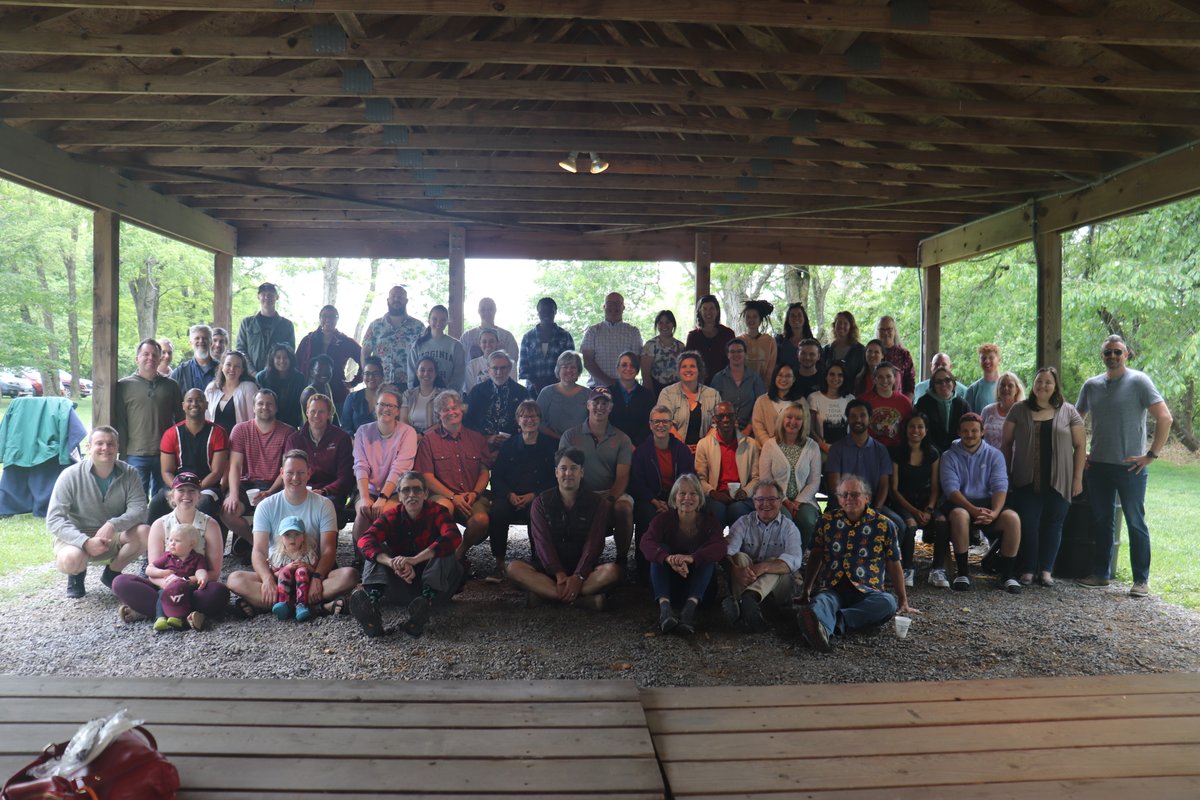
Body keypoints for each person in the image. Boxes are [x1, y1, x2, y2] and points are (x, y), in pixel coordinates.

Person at [1075, 335, 1172, 596]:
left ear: (1126, 354)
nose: (1113, 356)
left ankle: (1141, 580)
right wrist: (1081, 453)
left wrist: (1151, 454)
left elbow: (1165, 418)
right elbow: (1075, 421)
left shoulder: (1139, 381)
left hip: (1131, 468)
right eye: (1108, 352)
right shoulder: (1091, 385)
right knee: (1102, 521)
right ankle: (1100, 574)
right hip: (1097, 467)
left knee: (1135, 522)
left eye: (1117, 352)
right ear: (1102, 356)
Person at [227, 450, 358, 616]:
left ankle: (274, 604)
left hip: (310, 572)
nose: (295, 478)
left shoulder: (324, 505)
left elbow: (328, 550)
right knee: (234, 579)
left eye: (301, 473)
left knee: (349, 575)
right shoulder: (266, 506)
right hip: (278, 574)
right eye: (290, 473)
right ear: (282, 473)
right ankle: (317, 606)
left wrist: (317, 577)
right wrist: (267, 579)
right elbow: (259, 551)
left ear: (309, 473)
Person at [797, 475, 919, 652]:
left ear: (867, 497)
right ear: (838, 498)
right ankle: (820, 631)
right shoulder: (827, 521)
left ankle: (835, 623)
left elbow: (893, 562)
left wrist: (903, 600)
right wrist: (806, 591)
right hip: (833, 588)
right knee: (821, 602)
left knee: (887, 603)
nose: (849, 499)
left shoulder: (884, 525)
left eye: (855, 494)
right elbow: (816, 555)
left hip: (867, 592)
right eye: (844, 494)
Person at [349, 471, 464, 638]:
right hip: (402, 582)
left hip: (438, 586)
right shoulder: (391, 516)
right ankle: (372, 607)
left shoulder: (438, 512)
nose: (412, 495)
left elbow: (454, 536)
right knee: (375, 548)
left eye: (417, 490)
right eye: (406, 490)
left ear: (426, 494)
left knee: (445, 548)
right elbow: (364, 540)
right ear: (400, 495)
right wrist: (391, 562)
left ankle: (425, 604)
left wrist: (415, 560)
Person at [506, 448, 621, 610]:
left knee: (613, 572)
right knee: (513, 569)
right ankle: (581, 600)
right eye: (563, 468)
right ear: (556, 473)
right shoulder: (540, 503)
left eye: (574, 468)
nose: (568, 473)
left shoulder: (597, 503)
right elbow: (542, 544)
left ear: (582, 472)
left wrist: (578, 576)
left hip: (584, 571)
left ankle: (547, 597)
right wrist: (559, 573)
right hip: (549, 572)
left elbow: (594, 543)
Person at [1002, 367, 1085, 588]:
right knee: (1028, 524)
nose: (1043, 386)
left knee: (1053, 524)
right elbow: (1006, 443)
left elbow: (1080, 445)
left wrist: (1077, 479)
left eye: (1048, 382)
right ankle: (1028, 569)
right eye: (1039, 381)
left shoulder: (1069, 411)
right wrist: (1006, 473)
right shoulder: (1019, 410)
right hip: (1025, 480)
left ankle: (1046, 570)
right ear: (1033, 384)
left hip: (1060, 480)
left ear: (1055, 386)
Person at [112, 472, 227, 626]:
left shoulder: (211, 525)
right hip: (164, 586)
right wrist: (167, 584)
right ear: (172, 496)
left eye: (192, 491)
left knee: (219, 592)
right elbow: (153, 570)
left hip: (194, 586)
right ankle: (187, 616)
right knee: (120, 582)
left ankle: (150, 613)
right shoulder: (160, 524)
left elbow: (214, 573)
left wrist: (185, 582)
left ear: (199, 496)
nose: (186, 495)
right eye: (181, 490)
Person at [47, 426, 149, 598]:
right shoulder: (70, 475)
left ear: (117, 447)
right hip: (76, 537)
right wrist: (85, 542)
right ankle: (76, 575)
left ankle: (112, 573)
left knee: (145, 532)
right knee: (70, 560)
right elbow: (54, 519)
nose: (105, 448)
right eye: (99, 443)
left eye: (110, 444)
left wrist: (113, 524)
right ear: (89, 447)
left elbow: (139, 509)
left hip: (113, 534)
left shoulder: (130, 473)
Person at [939, 413, 1022, 593]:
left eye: (974, 431)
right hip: (961, 503)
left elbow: (1000, 486)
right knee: (960, 515)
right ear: (959, 432)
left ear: (982, 432)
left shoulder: (995, 455)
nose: (970, 434)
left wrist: (994, 512)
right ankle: (962, 573)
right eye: (965, 431)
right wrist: (973, 510)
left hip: (989, 504)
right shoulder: (948, 456)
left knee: (1012, 518)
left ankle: (1007, 575)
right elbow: (951, 490)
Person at [559, 387, 636, 566]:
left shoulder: (622, 438)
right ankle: (577, 559)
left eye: (605, 403)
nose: (600, 407)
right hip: (579, 492)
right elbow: (565, 472)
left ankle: (621, 559)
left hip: (610, 492)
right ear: (588, 405)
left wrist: (608, 500)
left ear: (610, 408)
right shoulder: (570, 435)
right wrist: (579, 496)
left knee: (624, 508)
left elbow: (623, 476)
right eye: (596, 402)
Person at [415, 390, 492, 572]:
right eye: (445, 409)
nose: (451, 412)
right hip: (441, 495)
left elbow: (484, 471)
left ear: (462, 409)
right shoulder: (429, 441)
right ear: (438, 414)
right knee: (443, 509)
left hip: (471, 496)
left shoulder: (476, 438)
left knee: (481, 520)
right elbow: (426, 476)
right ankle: (437, 558)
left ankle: (459, 553)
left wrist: (474, 494)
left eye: (454, 407)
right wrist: (452, 497)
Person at [640, 474, 725, 635]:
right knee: (659, 551)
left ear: (700, 499)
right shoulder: (662, 520)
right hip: (669, 586)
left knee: (706, 554)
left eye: (693, 494)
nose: (687, 498)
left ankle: (689, 612)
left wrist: (693, 558)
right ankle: (665, 612)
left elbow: (720, 546)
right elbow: (646, 543)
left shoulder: (709, 521)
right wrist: (668, 558)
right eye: (682, 493)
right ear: (674, 498)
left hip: (700, 590)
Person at [487, 401, 557, 582]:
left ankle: (539, 560)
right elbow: (497, 476)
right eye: (525, 416)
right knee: (497, 511)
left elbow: (554, 478)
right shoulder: (508, 445)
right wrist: (509, 494)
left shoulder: (550, 445)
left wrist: (534, 495)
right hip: (510, 495)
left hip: (537, 495)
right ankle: (499, 562)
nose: (529, 420)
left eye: (533, 416)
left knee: (537, 510)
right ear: (518, 420)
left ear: (540, 420)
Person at [722, 480, 804, 632]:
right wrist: (735, 569)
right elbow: (727, 552)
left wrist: (764, 567)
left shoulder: (790, 528)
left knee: (776, 562)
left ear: (780, 502)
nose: (765, 503)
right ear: (754, 502)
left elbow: (795, 560)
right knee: (738, 558)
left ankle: (747, 601)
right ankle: (752, 611)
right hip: (747, 578)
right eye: (760, 499)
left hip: (777, 589)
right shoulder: (743, 523)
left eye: (771, 499)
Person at [221, 389, 296, 552]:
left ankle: (269, 545)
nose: (264, 407)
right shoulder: (240, 430)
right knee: (227, 511)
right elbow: (235, 465)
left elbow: (287, 470)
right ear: (253, 407)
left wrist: (270, 492)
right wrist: (233, 494)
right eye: (260, 403)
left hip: (275, 484)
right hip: (246, 484)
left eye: (269, 404)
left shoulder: (288, 432)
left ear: (276, 408)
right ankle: (257, 545)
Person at [351, 386, 419, 559]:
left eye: (391, 406)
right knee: (363, 512)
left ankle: (388, 559)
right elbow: (361, 466)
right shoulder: (363, 432)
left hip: (395, 491)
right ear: (376, 407)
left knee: (385, 513)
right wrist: (365, 497)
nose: (386, 409)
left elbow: (400, 468)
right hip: (368, 488)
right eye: (382, 404)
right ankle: (361, 559)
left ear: (397, 411)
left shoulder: (407, 433)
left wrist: (382, 498)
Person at [630, 405, 697, 572]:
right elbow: (637, 483)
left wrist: (674, 501)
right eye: (657, 421)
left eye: (665, 421)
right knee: (646, 515)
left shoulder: (682, 450)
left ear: (671, 424)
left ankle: (687, 563)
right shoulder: (641, 452)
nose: (661, 425)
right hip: (650, 498)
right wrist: (654, 501)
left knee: (689, 513)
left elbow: (688, 478)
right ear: (650, 424)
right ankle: (646, 569)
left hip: (678, 497)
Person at [114, 338, 184, 497]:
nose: (150, 358)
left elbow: (180, 420)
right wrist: (123, 452)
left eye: (154, 355)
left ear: (160, 359)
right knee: (137, 498)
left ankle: (158, 523)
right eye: (145, 354)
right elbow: (121, 422)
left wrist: (178, 450)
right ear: (137, 358)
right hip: (136, 453)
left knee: (163, 498)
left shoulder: (171, 385)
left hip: (165, 453)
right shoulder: (123, 386)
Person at [825, 399, 905, 536]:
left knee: (900, 525)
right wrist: (851, 508)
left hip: (872, 505)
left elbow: (884, 484)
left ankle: (890, 558)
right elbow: (834, 485)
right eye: (853, 416)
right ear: (848, 419)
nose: (858, 420)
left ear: (870, 418)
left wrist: (876, 510)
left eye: (862, 415)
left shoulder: (880, 450)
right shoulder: (837, 449)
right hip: (842, 505)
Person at [147, 388, 227, 524]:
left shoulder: (218, 433)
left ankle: (203, 543)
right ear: (183, 406)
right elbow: (166, 471)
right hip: (178, 484)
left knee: (205, 503)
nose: (194, 404)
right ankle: (152, 543)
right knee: (157, 502)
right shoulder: (171, 434)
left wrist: (195, 488)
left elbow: (217, 472)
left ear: (206, 405)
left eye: (199, 400)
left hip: (207, 486)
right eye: (190, 400)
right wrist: (180, 488)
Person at [889, 413, 945, 588]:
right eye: (912, 426)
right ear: (905, 430)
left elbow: (936, 487)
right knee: (910, 524)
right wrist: (914, 511)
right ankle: (908, 569)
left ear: (926, 431)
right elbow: (894, 489)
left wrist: (929, 509)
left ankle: (937, 569)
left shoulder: (933, 453)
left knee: (942, 521)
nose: (916, 430)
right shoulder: (897, 453)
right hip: (902, 502)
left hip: (926, 501)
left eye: (920, 427)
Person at [757, 400, 822, 548]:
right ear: (782, 419)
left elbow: (814, 480)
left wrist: (798, 501)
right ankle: (781, 558)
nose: (793, 422)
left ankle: (799, 557)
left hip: (804, 500)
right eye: (789, 417)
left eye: (798, 418)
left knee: (807, 519)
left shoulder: (812, 446)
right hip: (776, 499)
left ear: (803, 422)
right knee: (784, 519)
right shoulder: (769, 445)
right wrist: (785, 501)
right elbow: (766, 480)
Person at [286, 393, 354, 525]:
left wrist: (324, 491)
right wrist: (303, 490)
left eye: (321, 412)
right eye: (312, 411)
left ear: (329, 414)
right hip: (301, 489)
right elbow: (290, 471)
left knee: (325, 510)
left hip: (331, 493)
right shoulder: (294, 439)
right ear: (306, 413)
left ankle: (325, 544)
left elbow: (346, 477)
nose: (316, 415)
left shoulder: (341, 438)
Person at [694, 401, 758, 528]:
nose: (725, 419)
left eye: (730, 415)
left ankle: (739, 547)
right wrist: (712, 492)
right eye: (721, 416)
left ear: (735, 418)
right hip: (715, 495)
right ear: (714, 419)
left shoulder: (750, 444)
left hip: (741, 496)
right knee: (716, 511)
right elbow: (699, 478)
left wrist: (745, 492)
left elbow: (757, 477)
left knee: (738, 510)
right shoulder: (704, 444)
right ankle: (717, 545)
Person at [295, 304, 362, 407]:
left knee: (335, 422)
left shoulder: (344, 341)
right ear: (319, 318)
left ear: (337, 319)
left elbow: (364, 359)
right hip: (309, 390)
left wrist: (355, 381)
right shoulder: (308, 340)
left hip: (336, 392)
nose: (328, 320)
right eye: (324, 316)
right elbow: (296, 363)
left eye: (332, 317)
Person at [148, 522, 209, 632]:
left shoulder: (197, 558)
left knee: (188, 596)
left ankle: (177, 617)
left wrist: (202, 577)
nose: (172, 544)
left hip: (186, 588)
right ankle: (160, 617)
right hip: (168, 587)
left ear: (191, 544)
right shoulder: (167, 557)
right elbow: (149, 569)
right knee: (162, 594)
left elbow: (200, 570)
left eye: (177, 541)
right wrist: (164, 573)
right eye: (170, 540)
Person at [362, 285, 425, 390]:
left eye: (400, 297)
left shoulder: (418, 327)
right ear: (388, 300)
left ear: (406, 301)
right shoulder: (375, 326)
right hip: (380, 384)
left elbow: (424, 355)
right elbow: (365, 353)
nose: (396, 299)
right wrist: (368, 377)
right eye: (393, 296)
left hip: (409, 384)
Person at [463, 349, 529, 448]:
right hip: (481, 445)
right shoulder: (477, 392)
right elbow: (467, 420)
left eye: (503, 368)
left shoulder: (522, 392)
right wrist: (486, 438)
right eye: (495, 368)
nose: (499, 372)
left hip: (514, 446)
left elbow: (529, 421)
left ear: (510, 368)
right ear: (488, 370)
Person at [657, 351, 721, 451]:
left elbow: (716, 424)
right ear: (678, 371)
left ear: (699, 370)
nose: (688, 370)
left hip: (706, 451)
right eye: (684, 366)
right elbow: (665, 422)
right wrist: (683, 447)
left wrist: (702, 446)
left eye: (692, 366)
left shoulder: (713, 395)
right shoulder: (667, 393)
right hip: (674, 450)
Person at [581, 292, 642, 388]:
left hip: (626, 389)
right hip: (598, 390)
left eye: (618, 303)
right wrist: (610, 382)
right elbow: (588, 362)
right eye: (610, 303)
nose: (613, 306)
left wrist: (622, 383)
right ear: (604, 307)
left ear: (623, 307)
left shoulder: (633, 332)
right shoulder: (592, 331)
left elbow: (636, 361)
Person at [710, 338, 767, 438]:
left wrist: (748, 429)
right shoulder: (718, 378)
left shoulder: (755, 378)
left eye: (740, 351)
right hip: (723, 432)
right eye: (732, 351)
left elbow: (761, 406)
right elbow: (712, 407)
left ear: (745, 354)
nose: (736, 354)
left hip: (750, 432)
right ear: (728, 355)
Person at [518, 297, 575, 396]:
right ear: (538, 312)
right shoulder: (528, 337)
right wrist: (537, 384)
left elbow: (571, 366)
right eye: (542, 311)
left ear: (555, 312)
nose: (546, 314)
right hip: (533, 392)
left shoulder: (565, 336)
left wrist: (553, 384)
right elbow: (523, 368)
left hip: (559, 391)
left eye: (550, 311)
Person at [267, 515, 320, 621]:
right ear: (281, 538)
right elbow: (273, 575)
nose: (292, 539)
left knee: (301, 571)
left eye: (296, 534)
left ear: (303, 537)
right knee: (285, 570)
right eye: (287, 535)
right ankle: (283, 603)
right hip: (284, 587)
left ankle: (301, 605)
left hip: (304, 588)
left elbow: (316, 572)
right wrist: (286, 568)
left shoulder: (308, 554)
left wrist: (307, 567)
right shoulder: (278, 555)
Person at [236, 282, 296, 373]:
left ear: (277, 297)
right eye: (263, 294)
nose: (267, 297)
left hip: (277, 378)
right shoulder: (247, 323)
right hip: (250, 377)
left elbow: (289, 352)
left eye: (271, 295)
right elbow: (241, 350)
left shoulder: (287, 325)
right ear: (258, 297)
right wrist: (252, 372)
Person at [407, 304, 466, 392]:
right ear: (429, 320)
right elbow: (412, 374)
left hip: (447, 397)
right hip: (422, 395)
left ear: (447, 322)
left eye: (443, 320)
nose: (438, 322)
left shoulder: (456, 345)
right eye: (435, 319)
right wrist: (415, 394)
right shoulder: (418, 345)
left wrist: (448, 395)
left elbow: (459, 376)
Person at [914, 366, 971, 453]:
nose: (943, 384)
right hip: (929, 452)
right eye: (938, 382)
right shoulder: (923, 403)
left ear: (954, 383)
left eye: (947, 380)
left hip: (958, 452)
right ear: (933, 385)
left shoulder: (963, 405)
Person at [535, 350, 589, 440]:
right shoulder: (546, 393)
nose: (569, 370)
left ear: (578, 370)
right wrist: (561, 438)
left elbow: (593, 422)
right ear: (558, 370)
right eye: (565, 367)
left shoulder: (588, 394)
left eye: (573, 367)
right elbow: (538, 421)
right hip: (551, 442)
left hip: (582, 442)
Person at [859, 361, 913, 448]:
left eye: (888, 376)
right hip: (869, 448)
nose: (885, 380)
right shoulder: (863, 401)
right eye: (880, 377)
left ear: (895, 378)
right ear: (875, 379)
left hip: (897, 449)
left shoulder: (905, 402)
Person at [255, 343, 307, 429]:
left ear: (291, 359)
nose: (282, 361)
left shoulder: (299, 378)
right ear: (272, 360)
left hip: (291, 423)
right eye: (278, 357)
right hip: (267, 421)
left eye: (285, 357)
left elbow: (300, 404)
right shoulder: (262, 377)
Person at [608, 350, 655, 446]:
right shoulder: (607, 394)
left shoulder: (646, 395)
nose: (628, 368)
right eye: (624, 365)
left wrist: (634, 445)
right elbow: (604, 422)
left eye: (632, 365)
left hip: (638, 447)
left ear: (637, 370)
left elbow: (649, 424)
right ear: (617, 368)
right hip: (610, 446)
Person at [204, 350, 258, 433]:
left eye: (237, 366)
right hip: (216, 443)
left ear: (242, 370)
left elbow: (254, 420)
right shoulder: (212, 389)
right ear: (222, 367)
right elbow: (206, 419)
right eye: (228, 364)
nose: (232, 369)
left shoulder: (249, 388)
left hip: (239, 442)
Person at [685, 294, 736, 379]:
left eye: (711, 308)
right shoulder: (693, 336)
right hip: (699, 384)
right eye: (704, 309)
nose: (708, 312)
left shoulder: (728, 334)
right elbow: (688, 362)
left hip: (724, 382)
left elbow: (733, 360)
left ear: (717, 311)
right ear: (700, 312)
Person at [751, 362, 802, 447]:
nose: (783, 379)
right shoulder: (762, 401)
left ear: (794, 379)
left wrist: (790, 449)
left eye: (788, 376)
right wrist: (772, 448)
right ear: (774, 377)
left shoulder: (801, 402)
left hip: (793, 452)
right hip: (766, 451)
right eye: (780, 375)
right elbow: (758, 426)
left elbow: (805, 429)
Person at [808, 360, 854, 454]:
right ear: (826, 376)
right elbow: (810, 429)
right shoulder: (814, 397)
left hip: (847, 450)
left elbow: (854, 426)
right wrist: (823, 445)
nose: (835, 378)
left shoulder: (851, 399)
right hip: (821, 450)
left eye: (840, 375)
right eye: (832, 374)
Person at [460, 297, 520, 362]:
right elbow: (459, 361)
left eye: (490, 309)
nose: (487, 312)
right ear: (478, 311)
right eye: (483, 309)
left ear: (495, 310)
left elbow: (513, 362)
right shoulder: (467, 337)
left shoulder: (507, 337)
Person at [641, 309, 685, 397]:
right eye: (660, 323)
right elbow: (645, 375)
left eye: (667, 322)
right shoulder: (650, 345)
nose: (664, 325)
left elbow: (684, 371)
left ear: (673, 324)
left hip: (676, 390)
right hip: (655, 388)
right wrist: (651, 396)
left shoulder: (680, 346)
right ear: (657, 325)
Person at [822, 310, 866, 390]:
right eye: (839, 323)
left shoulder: (860, 350)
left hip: (851, 394)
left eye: (845, 323)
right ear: (834, 325)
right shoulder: (826, 350)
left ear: (851, 327)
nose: (842, 326)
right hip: (828, 394)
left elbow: (862, 376)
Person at [400, 356, 445, 435]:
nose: (426, 373)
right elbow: (403, 420)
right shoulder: (407, 395)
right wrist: (413, 436)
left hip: (436, 437)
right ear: (417, 373)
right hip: (410, 436)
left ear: (435, 374)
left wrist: (421, 436)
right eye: (422, 370)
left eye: (430, 370)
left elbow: (443, 422)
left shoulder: (443, 396)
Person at [980, 371, 1025, 449]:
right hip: (989, 459)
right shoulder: (987, 410)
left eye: (1010, 385)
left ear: (1017, 389)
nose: (1006, 388)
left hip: (1015, 460)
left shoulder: (1023, 412)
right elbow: (979, 436)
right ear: (998, 388)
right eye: (1002, 385)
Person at [170, 325, 218, 395]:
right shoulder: (180, 373)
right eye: (197, 338)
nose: (201, 341)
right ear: (190, 343)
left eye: (205, 338)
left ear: (211, 343)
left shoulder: (221, 369)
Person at [737, 299, 777, 385]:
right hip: (743, 387)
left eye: (755, 316)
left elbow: (771, 368)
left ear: (760, 319)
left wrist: (764, 388)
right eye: (748, 317)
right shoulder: (739, 341)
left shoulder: (770, 341)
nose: (751, 320)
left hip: (764, 388)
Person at [342, 356, 383, 434]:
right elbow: (345, 427)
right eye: (367, 373)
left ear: (382, 376)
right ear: (363, 376)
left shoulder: (389, 399)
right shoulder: (352, 398)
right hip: (356, 443)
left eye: (375, 373)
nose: (371, 377)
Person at [876, 315, 915, 396]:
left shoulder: (904, 355)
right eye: (882, 329)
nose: (885, 332)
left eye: (889, 329)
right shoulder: (871, 354)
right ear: (877, 332)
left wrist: (907, 402)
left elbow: (910, 383)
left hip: (899, 402)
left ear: (895, 331)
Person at [298, 354, 340, 429]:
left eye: (328, 370)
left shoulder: (327, 386)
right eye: (320, 370)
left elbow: (333, 412)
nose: (324, 373)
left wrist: (339, 430)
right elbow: (311, 422)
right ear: (312, 372)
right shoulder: (309, 393)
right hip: (313, 434)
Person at [774, 302, 815, 373]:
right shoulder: (779, 341)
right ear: (788, 319)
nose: (796, 318)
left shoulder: (814, 343)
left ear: (804, 318)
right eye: (792, 315)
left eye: (799, 315)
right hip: (784, 381)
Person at [964, 343, 1002, 413]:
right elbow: (968, 418)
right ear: (979, 361)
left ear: (999, 360)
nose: (987, 361)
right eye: (983, 358)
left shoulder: (1008, 386)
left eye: (991, 358)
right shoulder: (973, 390)